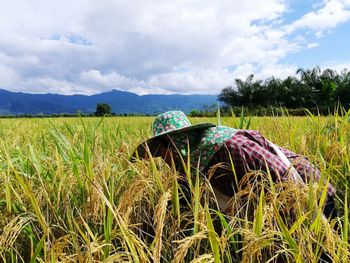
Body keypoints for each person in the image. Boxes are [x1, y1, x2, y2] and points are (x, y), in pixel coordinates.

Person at [132, 111, 337, 217]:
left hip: (309, 194)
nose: (162, 161)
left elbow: (286, 181)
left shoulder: (230, 147)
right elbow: (185, 199)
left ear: (173, 146)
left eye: (159, 154)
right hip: (274, 199)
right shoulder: (190, 163)